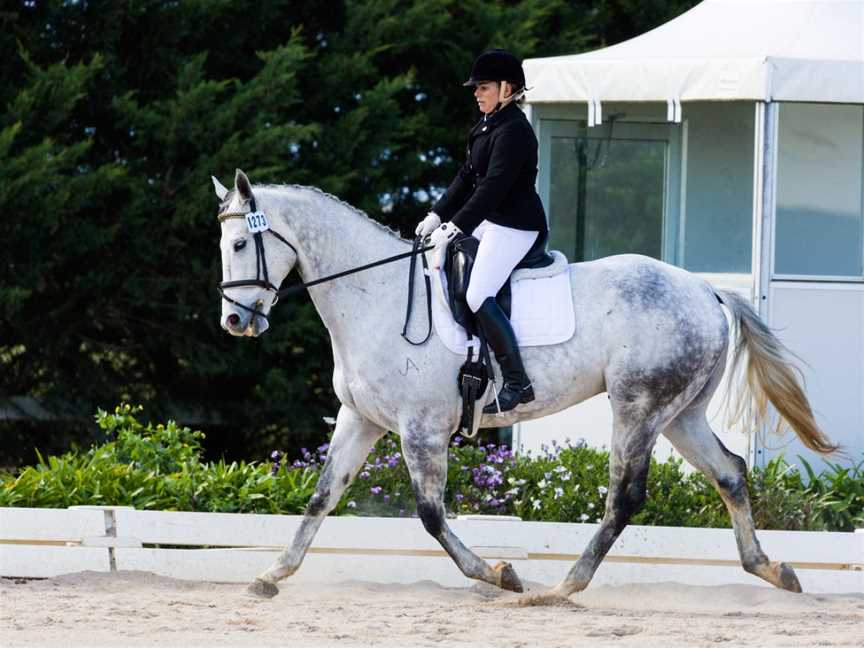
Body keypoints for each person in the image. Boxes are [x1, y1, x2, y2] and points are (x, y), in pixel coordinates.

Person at [416, 49, 548, 413]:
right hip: (493, 221)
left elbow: (492, 188)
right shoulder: (487, 124)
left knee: (477, 294)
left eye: (483, 87)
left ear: (507, 88)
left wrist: (456, 225)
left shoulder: (516, 131)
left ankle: (518, 382)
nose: (476, 93)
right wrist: (436, 214)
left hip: (518, 226)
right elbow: (465, 177)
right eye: (476, 88)